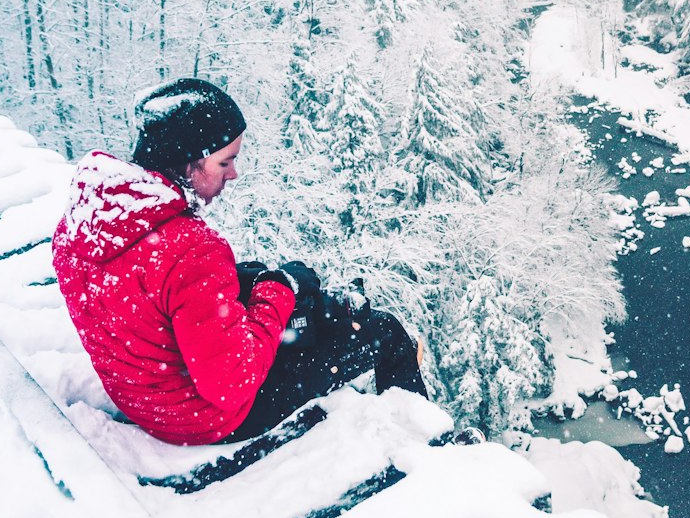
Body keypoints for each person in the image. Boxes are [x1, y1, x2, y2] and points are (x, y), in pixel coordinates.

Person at [52, 77, 428, 446]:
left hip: (145, 396)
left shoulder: (84, 222)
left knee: (254, 278)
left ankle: (321, 307)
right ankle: (428, 444)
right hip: (205, 419)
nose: (234, 173)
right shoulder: (191, 249)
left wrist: (269, 285)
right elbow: (235, 383)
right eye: (225, 162)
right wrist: (281, 290)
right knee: (384, 332)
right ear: (188, 162)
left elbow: (161, 286)